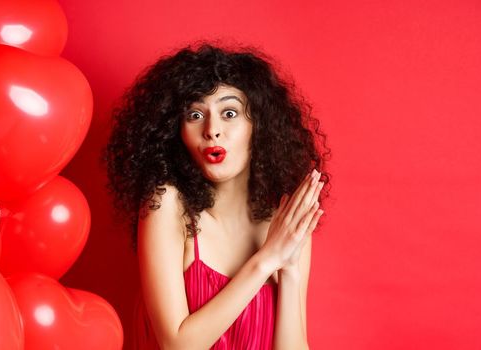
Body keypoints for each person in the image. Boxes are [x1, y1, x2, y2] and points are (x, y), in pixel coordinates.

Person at [103, 41, 331, 349]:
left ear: (258, 126)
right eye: (195, 115)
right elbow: (176, 345)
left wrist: (288, 268)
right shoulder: (166, 204)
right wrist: (266, 260)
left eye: (229, 112)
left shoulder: (284, 222)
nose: (212, 129)